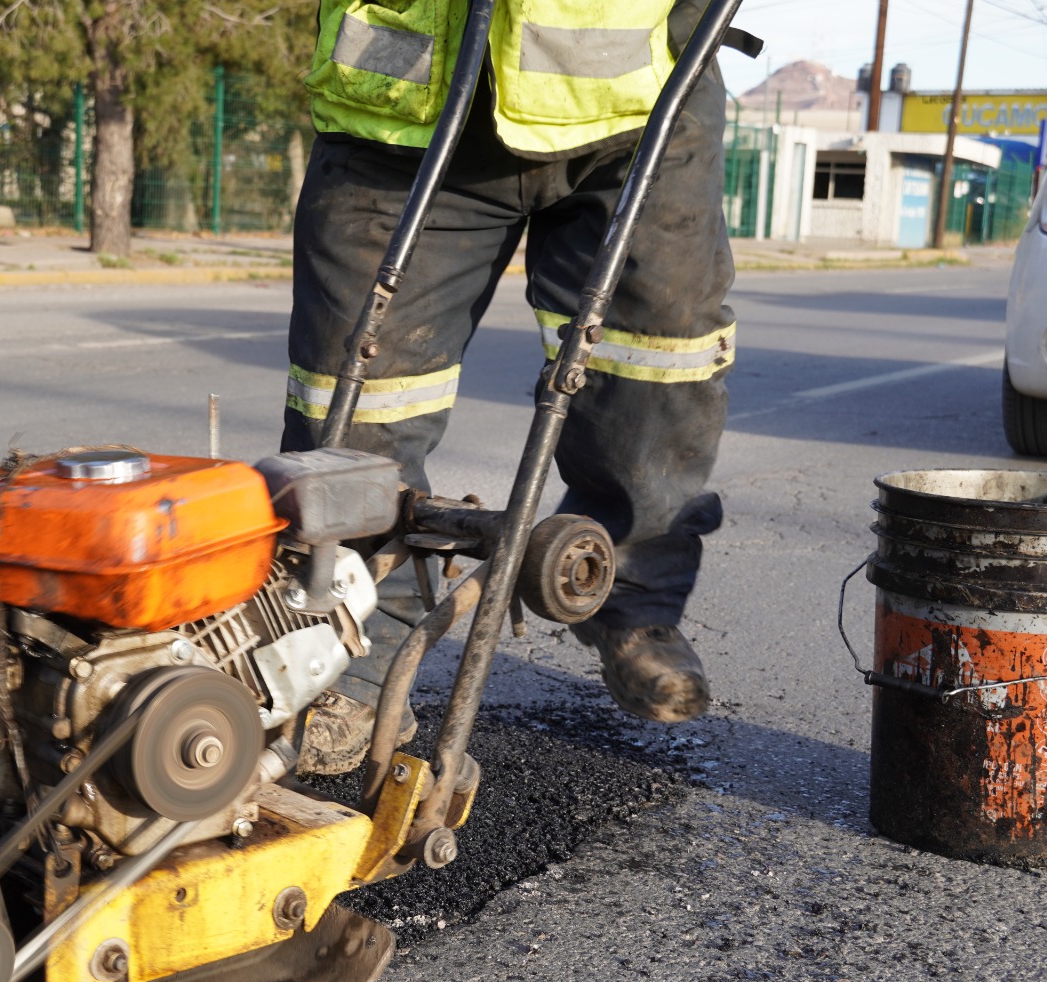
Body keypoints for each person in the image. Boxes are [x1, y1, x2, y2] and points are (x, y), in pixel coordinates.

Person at [284, 0, 737, 774]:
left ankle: (624, 590)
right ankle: (347, 650)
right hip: (401, 107)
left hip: (638, 99)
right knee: (353, 400)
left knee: (655, 365)